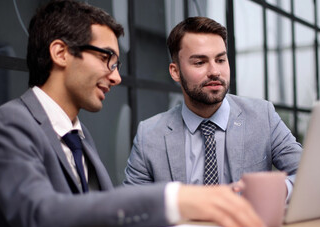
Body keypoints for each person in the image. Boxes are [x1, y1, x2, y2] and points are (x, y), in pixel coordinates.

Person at [0, 1, 266, 227]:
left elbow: (100, 214)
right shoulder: (10, 123)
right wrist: (175, 200)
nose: (116, 77)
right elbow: (38, 212)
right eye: (106, 59)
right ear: (61, 53)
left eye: (117, 64)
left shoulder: (79, 135)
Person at [124, 17, 302, 198]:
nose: (215, 71)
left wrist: (276, 190)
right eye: (200, 62)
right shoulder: (149, 135)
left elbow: (307, 176)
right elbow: (131, 203)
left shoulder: (263, 116)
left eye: (220, 60)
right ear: (175, 72)